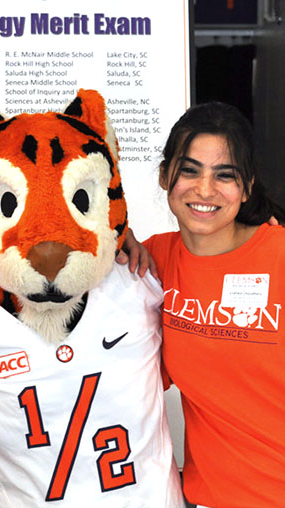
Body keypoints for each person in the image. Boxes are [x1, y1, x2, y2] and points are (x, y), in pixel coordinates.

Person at [143, 101, 285, 508]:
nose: (205, 190)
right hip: (208, 498)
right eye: (190, 170)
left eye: (225, 176)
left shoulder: (278, 255)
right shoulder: (152, 263)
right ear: (164, 175)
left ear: (247, 186)